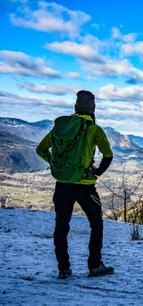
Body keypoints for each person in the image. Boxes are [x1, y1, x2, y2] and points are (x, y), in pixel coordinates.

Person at [36, 90, 114, 279]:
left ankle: (63, 269)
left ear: (75, 106)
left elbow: (41, 149)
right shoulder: (94, 129)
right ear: (92, 107)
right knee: (96, 224)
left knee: (61, 227)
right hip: (85, 185)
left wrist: (55, 164)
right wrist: (97, 173)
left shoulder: (61, 127)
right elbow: (108, 155)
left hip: (62, 185)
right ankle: (94, 265)